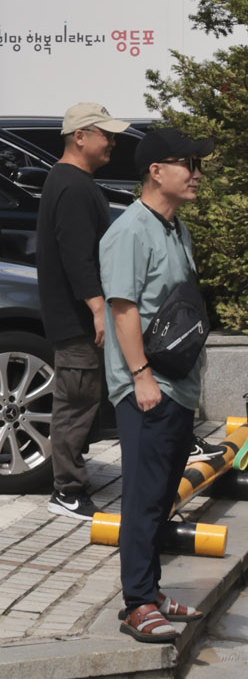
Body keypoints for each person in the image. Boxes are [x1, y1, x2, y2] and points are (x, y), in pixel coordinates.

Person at [99, 124, 214, 644]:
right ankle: (137, 604)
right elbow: (123, 309)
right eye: (188, 164)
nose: (196, 174)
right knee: (144, 498)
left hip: (177, 383)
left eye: (198, 164)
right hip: (147, 386)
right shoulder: (129, 231)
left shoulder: (175, 228)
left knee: (164, 495)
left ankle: (151, 590)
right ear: (156, 171)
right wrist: (141, 376)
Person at [36, 101, 130, 518]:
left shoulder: (70, 180)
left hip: (74, 315)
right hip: (74, 318)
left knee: (83, 400)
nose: (112, 142)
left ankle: (71, 482)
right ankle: (67, 492)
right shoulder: (73, 186)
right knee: (75, 403)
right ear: (80, 137)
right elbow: (76, 255)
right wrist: (95, 306)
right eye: (105, 134)